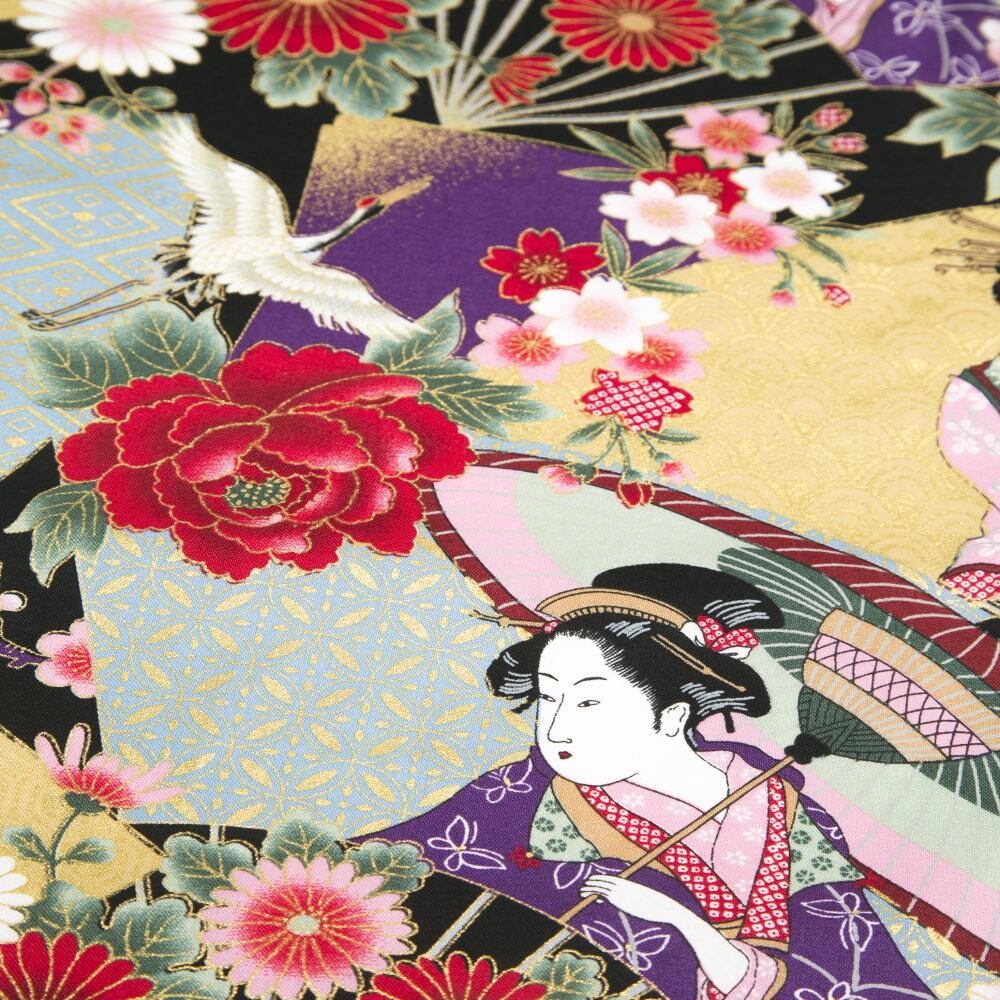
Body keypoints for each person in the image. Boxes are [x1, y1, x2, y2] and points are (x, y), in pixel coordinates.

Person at [365, 565, 934, 999]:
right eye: (548, 698)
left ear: (674, 715)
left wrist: (679, 919)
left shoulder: (787, 816)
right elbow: (385, 872)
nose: (555, 728)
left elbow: (847, 968)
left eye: (588, 702)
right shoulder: (516, 795)